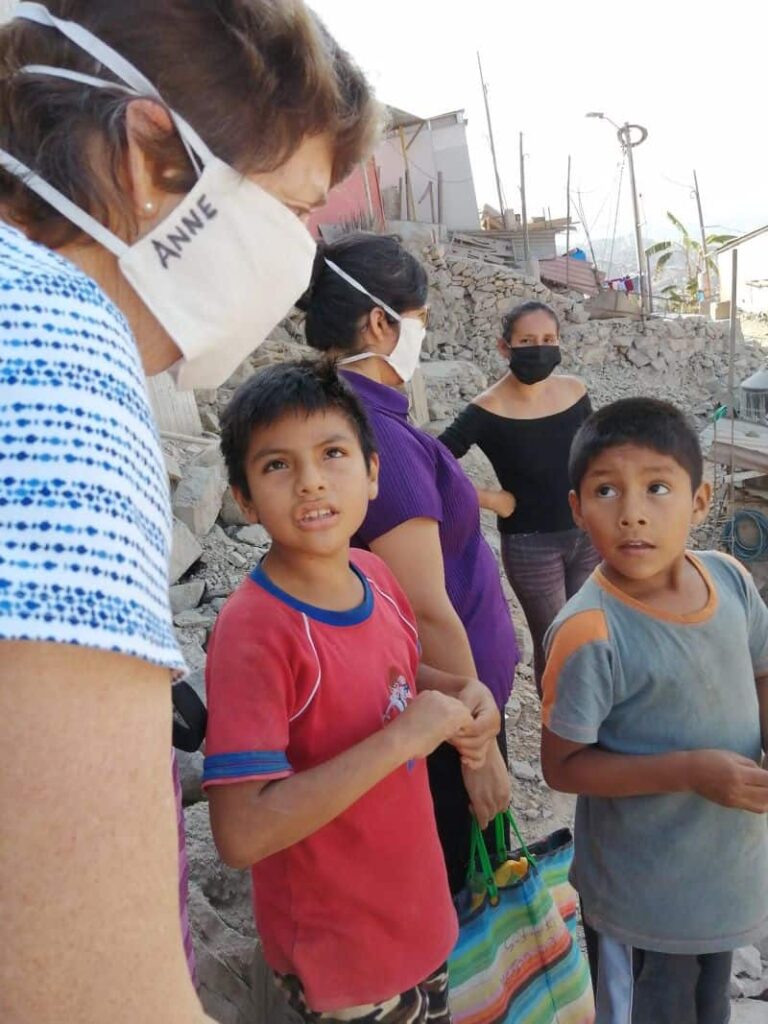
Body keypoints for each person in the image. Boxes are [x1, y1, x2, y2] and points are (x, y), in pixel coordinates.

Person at [0, 3, 378, 1021]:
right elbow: (89, 993)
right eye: (293, 212)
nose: (304, 256)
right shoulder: (48, 356)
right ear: (152, 153)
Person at [205, 360, 500, 1023]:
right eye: (277, 465)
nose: (310, 479)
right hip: (343, 962)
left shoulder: (374, 575)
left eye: (332, 453)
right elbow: (242, 832)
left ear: (372, 472)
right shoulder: (255, 631)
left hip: (418, 921)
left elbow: (396, 677)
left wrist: (462, 693)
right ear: (245, 499)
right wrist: (404, 738)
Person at [301, 233, 519, 893]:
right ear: (379, 321)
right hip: (454, 716)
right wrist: (477, 749)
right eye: (418, 319)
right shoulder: (380, 441)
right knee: (472, 908)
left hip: (451, 709)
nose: (420, 335)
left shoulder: (357, 418)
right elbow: (424, 605)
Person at [540, 397, 768, 1024]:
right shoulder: (589, 630)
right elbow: (563, 768)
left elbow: (761, 668)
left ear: (699, 500)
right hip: (641, 902)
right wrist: (691, 771)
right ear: (577, 509)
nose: (633, 514)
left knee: (706, 1008)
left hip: (721, 881)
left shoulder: (728, 580)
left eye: (658, 487)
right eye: (606, 491)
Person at [439, 300, 599, 696]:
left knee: (590, 629)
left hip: (588, 535)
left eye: (549, 339)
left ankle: (599, 718)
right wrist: (493, 499)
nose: (540, 348)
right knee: (556, 639)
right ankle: (560, 732)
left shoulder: (575, 391)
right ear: (504, 347)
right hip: (532, 546)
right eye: (527, 340)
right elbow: (430, 466)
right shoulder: (486, 408)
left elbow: (597, 452)